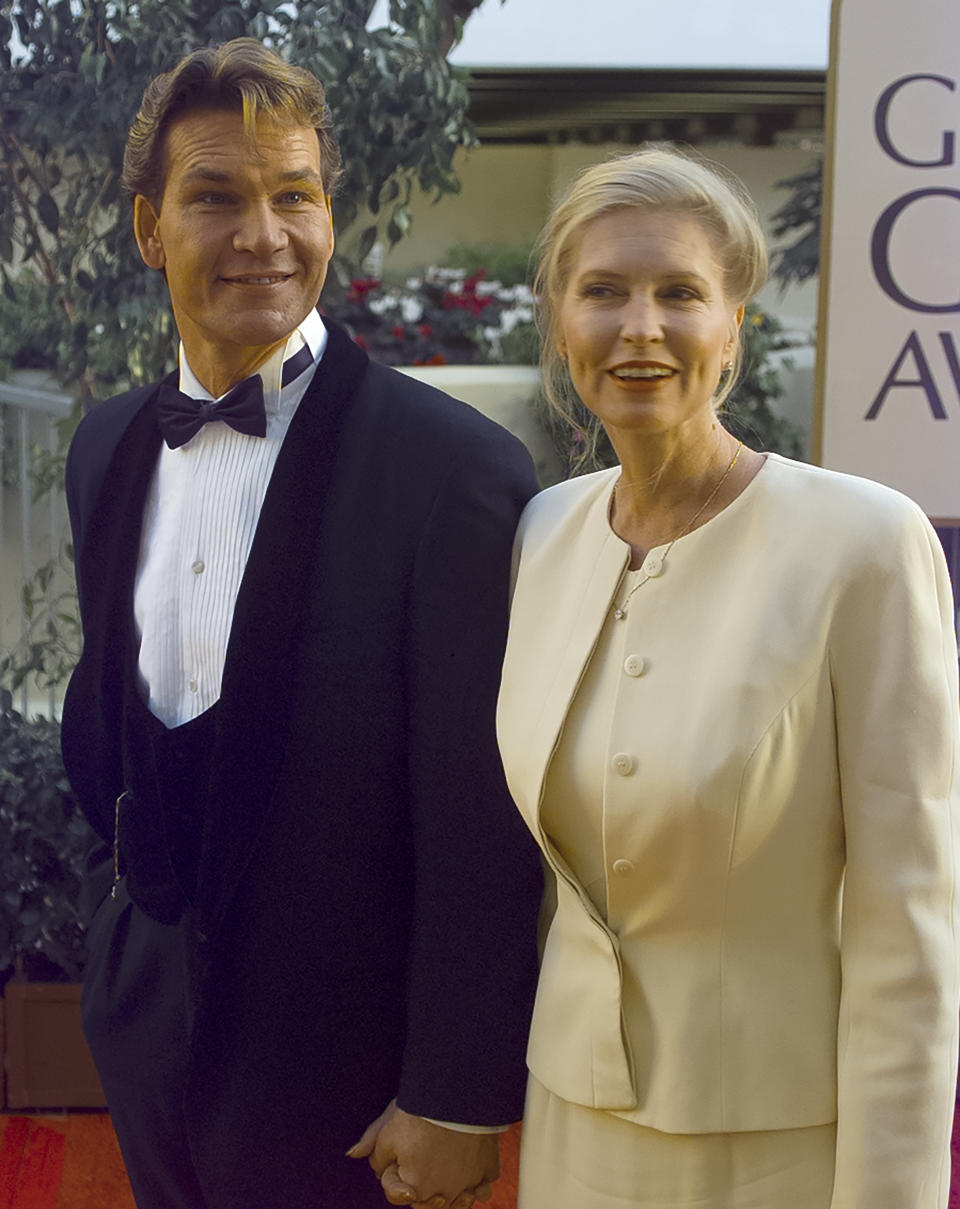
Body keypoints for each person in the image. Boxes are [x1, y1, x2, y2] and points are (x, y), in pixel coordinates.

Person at [60, 38, 542, 1209]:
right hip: (150, 1022)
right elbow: (114, 713)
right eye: (215, 198)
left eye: (295, 196)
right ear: (148, 229)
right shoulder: (108, 445)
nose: (263, 236)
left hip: (354, 1076)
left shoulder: (454, 473)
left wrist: (457, 1089)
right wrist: (121, 952)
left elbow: (485, 817)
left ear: (330, 215)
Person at [496, 145, 960, 1209]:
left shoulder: (865, 544)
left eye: (681, 294)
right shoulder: (544, 532)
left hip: (783, 1146)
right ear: (561, 323)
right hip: (572, 1122)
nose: (640, 328)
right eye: (603, 291)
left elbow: (912, 930)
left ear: (735, 326)